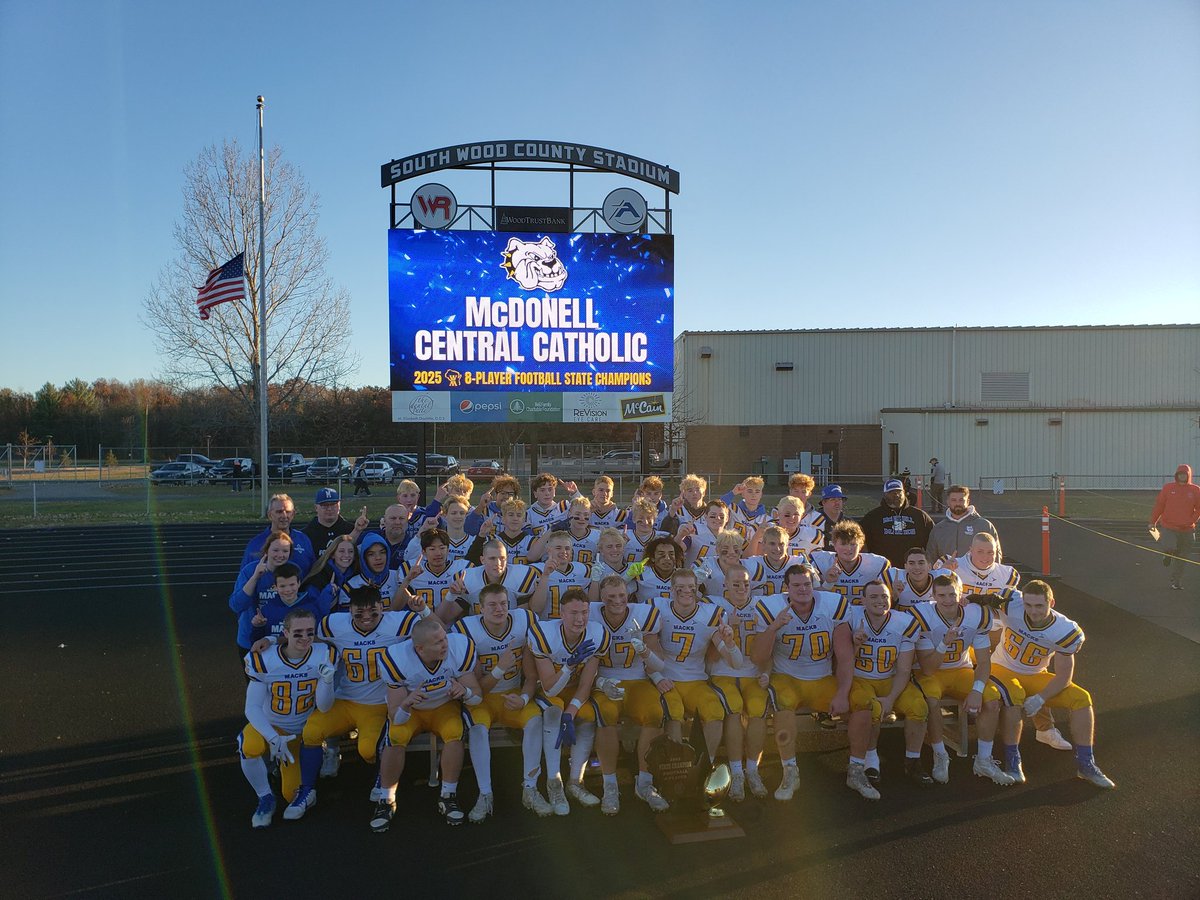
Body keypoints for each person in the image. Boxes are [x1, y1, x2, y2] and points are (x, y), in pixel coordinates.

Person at [282, 586, 419, 820]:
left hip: (378, 705)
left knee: (368, 749)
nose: (366, 618)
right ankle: (307, 790)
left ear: (383, 608)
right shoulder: (334, 623)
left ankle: (381, 777)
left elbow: (432, 630)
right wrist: (269, 639)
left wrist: (424, 611)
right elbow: (303, 635)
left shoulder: (398, 622)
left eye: (373, 612)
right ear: (349, 611)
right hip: (345, 700)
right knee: (312, 731)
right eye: (359, 613)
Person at [750, 564, 869, 799]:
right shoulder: (771, 607)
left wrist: (842, 693)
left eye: (807, 584)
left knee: (863, 701)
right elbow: (758, 658)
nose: (803, 589)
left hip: (822, 678)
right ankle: (790, 771)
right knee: (783, 702)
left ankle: (856, 769)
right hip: (787, 677)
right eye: (796, 585)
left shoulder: (832, 605)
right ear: (786, 587)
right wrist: (774, 627)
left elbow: (845, 656)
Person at [989, 581, 1115, 789]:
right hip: (1001, 667)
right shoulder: (1011, 602)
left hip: (1035, 674)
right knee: (1014, 695)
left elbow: (1064, 676)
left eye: (1039, 606)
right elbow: (982, 606)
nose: (1033, 611)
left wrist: (1041, 698)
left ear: (1052, 603)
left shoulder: (1064, 629)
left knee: (1081, 698)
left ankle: (1086, 763)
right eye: (1028, 605)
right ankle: (1012, 760)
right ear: (1022, 601)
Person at [371, 617, 482, 831]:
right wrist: (406, 703)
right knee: (396, 736)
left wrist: (465, 692)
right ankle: (386, 799)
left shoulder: (458, 648)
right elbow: (396, 716)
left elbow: (477, 697)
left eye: (444, 638)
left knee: (455, 732)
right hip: (412, 711)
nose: (445, 644)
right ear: (420, 649)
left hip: (443, 706)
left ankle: (448, 795)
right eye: (438, 642)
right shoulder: (397, 658)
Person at [910, 573, 1014, 786]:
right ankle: (940, 753)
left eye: (952, 594)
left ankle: (984, 760)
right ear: (933, 596)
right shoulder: (922, 615)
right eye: (942, 595)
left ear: (960, 594)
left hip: (961, 669)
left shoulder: (976, 614)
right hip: (931, 673)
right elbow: (928, 668)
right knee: (931, 701)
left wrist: (976, 690)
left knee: (991, 700)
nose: (948, 600)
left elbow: (983, 662)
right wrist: (944, 643)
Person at [455, 583, 547, 822]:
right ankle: (485, 793)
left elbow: (531, 676)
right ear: (480, 608)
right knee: (477, 729)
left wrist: (524, 699)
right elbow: (476, 690)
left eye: (503, 604)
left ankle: (530, 788)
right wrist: (499, 669)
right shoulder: (466, 629)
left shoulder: (524, 621)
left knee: (535, 721)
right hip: (482, 699)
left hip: (513, 693)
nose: (499, 609)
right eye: (492, 605)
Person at [238, 608, 336, 828]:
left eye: (310, 632)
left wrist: (327, 681)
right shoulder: (265, 658)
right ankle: (265, 797)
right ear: (286, 633)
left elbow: (324, 706)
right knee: (249, 746)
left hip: (299, 732)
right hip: (271, 724)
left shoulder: (323, 654)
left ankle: (302, 763)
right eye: (298, 633)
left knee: (292, 793)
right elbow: (252, 708)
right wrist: (273, 738)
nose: (305, 638)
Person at [588, 575, 676, 814]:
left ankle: (645, 783)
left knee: (655, 713)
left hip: (637, 678)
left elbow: (659, 664)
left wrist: (644, 650)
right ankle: (609, 785)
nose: (617, 601)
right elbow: (583, 662)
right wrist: (600, 681)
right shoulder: (590, 615)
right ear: (601, 598)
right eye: (611, 597)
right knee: (605, 714)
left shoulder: (643, 615)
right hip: (605, 680)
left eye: (621, 596)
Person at [642, 568, 739, 768]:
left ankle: (703, 768)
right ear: (671, 590)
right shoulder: (657, 609)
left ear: (697, 589)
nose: (686, 591)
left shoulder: (710, 614)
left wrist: (730, 643)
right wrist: (657, 678)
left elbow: (735, 663)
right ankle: (678, 769)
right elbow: (647, 651)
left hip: (696, 680)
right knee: (674, 712)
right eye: (680, 587)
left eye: (691, 587)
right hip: (667, 678)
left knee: (715, 712)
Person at [528, 587, 610, 815]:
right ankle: (554, 783)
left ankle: (576, 782)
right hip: (550, 691)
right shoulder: (545, 634)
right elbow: (549, 688)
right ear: (561, 613)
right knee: (553, 711)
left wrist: (571, 712)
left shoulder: (597, 634)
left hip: (574, 690)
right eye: (573, 613)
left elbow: (585, 685)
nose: (580, 618)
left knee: (588, 716)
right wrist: (568, 666)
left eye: (584, 612)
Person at [847, 581, 933, 789]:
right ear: (862, 600)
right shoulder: (851, 617)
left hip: (890, 678)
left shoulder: (903, 622)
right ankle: (871, 760)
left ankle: (913, 761)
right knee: (871, 708)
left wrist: (891, 699)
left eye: (884, 596)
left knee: (919, 707)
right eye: (874, 596)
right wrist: (855, 645)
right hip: (859, 679)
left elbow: (904, 669)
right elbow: (840, 663)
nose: (880, 601)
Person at [709, 565, 770, 801]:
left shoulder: (762, 607)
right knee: (733, 709)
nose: (742, 588)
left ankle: (752, 769)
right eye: (736, 584)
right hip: (723, 672)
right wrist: (731, 627)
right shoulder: (714, 608)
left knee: (757, 710)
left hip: (753, 673)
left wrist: (767, 672)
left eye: (745, 583)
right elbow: (710, 655)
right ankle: (736, 772)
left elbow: (770, 647)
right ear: (725, 585)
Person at [229, 531, 294, 666]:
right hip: (250, 639)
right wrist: (255, 577)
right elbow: (236, 605)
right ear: (266, 550)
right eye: (275, 550)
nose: (280, 555)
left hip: (281, 639)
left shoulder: (293, 572)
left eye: (285, 551)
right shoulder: (250, 571)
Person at [809, 521, 893, 605]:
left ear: (860, 545)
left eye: (853, 544)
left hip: (865, 612)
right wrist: (828, 583)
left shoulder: (878, 564)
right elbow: (812, 600)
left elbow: (888, 600)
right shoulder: (819, 561)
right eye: (843, 544)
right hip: (832, 613)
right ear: (834, 545)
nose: (848, 549)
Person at [858, 480, 935, 569]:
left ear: (904, 493)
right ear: (885, 495)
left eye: (899, 492)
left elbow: (934, 541)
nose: (896, 495)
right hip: (882, 569)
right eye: (892, 493)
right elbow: (860, 542)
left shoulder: (920, 516)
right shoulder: (872, 517)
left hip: (913, 570)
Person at [1149, 464, 1200, 590]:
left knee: (1182, 557)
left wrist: (1191, 521)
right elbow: (1160, 505)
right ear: (1177, 475)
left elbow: (1199, 509)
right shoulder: (1168, 488)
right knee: (1169, 546)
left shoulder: (1195, 490)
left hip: (1187, 530)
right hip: (1169, 526)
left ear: (1188, 475)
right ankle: (1167, 554)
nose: (1182, 476)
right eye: (1180, 474)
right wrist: (1152, 521)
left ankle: (1176, 581)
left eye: (1184, 474)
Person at [241, 494, 316, 578]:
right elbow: (244, 578)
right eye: (279, 512)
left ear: (293, 514)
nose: (284, 516)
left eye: (288, 512)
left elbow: (313, 574)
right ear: (270, 515)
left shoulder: (303, 540)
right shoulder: (255, 543)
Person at [926, 485, 999, 564]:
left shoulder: (984, 526)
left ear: (968, 501)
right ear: (948, 502)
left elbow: (996, 554)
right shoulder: (938, 529)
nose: (957, 503)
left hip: (976, 572)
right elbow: (931, 558)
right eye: (953, 500)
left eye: (961, 500)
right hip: (946, 572)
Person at [529, 532, 594, 618]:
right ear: (548, 550)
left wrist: (595, 580)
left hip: (574, 623)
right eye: (558, 548)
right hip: (548, 624)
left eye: (567, 548)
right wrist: (545, 575)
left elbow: (592, 603)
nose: (564, 552)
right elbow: (536, 608)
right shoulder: (536, 570)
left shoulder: (582, 570)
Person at [301, 488, 370, 557]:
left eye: (333, 504)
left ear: (339, 505)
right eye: (325, 505)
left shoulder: (351, 529)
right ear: (316, 507)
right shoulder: (305, 534)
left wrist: (357, 530)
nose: (329, 509)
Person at [302, 534, 359, 613]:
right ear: (332, 554)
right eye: (341, 551)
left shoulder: (357, 577)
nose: (346, 555)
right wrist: (327, 595)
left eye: (351, 551)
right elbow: (312, 612)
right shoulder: (318, 580)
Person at [742, 525, 794, 597]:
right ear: (763, 545)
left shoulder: (798, 562)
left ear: (787, 545)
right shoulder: (753, 563)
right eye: (772, 544)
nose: (777, 549)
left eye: (781, 544)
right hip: (760, 604)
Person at [721, 476, 769, 541]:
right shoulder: (733, 509)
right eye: (750, 491)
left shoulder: (766, 519)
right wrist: (733, 492)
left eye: (757, 492)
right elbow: (718, 505)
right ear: (742, 494)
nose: (753, 495)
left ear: (761, 494)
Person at [811, 484, 851, 550]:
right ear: (823, 502)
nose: (837, 503)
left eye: (839, 499)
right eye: (833, 499)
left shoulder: (849, 523)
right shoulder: (813, 522)